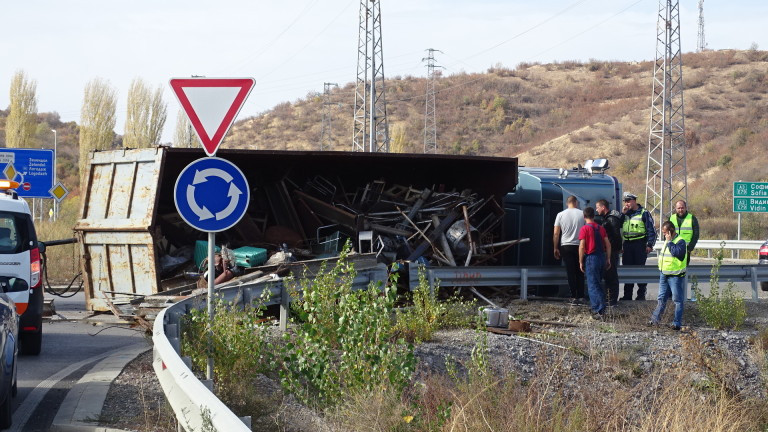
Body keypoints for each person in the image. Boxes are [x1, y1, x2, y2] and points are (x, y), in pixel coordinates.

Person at [649, 221, 687, 330]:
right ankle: (654, 320)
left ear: (671, 232)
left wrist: (670, 242)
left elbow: (678, 254)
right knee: (661, 298)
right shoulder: (667, 241)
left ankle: (676, 323)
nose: (664, 235)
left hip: (675, 276)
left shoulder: (680, 241)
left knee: (677, 300)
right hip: (664, 274)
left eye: (665, 233)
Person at [620, 192, 656, 301]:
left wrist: (649, 244)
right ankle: (627, 296)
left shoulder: (644, 213)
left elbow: (652, 230)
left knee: (640, 270)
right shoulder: (625, 214)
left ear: (634, 201)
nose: (627, 203)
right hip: (627, 245)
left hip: (639, 244)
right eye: (625, 201)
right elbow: (618, 227)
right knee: (627, 271)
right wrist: (622, 214)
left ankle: (641, 295)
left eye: (628, 201)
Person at [579, 206, 611, 318]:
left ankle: (598, 310)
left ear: (584, 217)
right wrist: (608, 258)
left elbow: (582, 246)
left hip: (591, 258)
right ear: (593, 216)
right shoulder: (600, 228)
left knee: (593, 285)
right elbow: (607, 244)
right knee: (598, 283)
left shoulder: (584, 229)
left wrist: (580, 261)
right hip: (601, 256)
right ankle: (601, 307)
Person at [554, 195, 586, 305]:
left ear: (567, 203)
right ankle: (581, 296)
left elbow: (556, 233)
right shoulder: (582, 214)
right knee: (580, 271)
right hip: (579, 245)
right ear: (576, 203)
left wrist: (555, 248)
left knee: (570, 272)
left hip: (566, 246)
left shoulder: (560, 215)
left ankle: (573, 296)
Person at [595, 199, 622, 306]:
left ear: (603, 207)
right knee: (607, 275)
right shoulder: (607, 218)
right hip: (608, 250)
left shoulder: (611, 219)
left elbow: (616, 235)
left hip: (611, 251)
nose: (596, 210)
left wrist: (615, 249)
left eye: (597, 207)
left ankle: (612, 300)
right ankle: (609, 298)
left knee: (611, 275)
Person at [668, 200, 699, 266]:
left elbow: (696, 234)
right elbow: (667, 232)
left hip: (686, 249)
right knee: (672, 268)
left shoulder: (692, 218)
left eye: (682, 208)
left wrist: (690, 248)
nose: (680, 210)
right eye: (678, 208)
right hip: (673, 248)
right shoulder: (671, 218)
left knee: (684, 269)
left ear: (685, 208)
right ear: (675, 209)